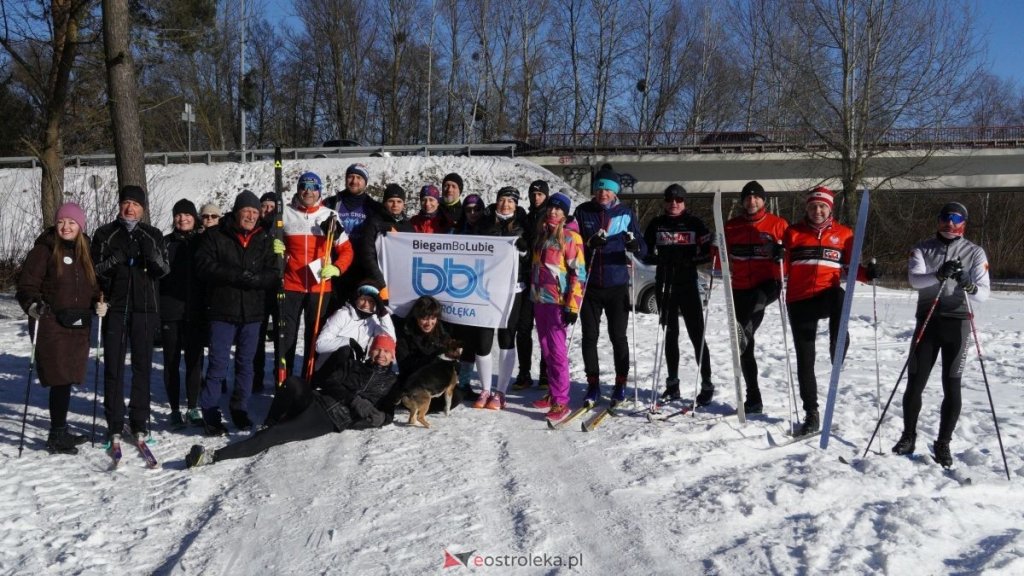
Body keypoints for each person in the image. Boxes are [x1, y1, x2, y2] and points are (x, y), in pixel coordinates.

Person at [185, 333, 399, 467]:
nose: (381, 354)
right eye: (378, 349)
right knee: (293, 382)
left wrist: (380, 418)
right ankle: (270, 422)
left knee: (277, 434)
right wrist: (353, 399)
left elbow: (388, 413)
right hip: (317, 399)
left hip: (329, 418)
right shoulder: (354, 365)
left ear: (392, 356)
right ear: (371, 351)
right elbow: (330, 383)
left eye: (386, 351)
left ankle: (211, 457)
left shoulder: (392, 382)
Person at [892, 202, 989, 467]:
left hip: (958, 324)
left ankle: (943, 443)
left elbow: (983, 294)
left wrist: (968, 283)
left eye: (956, 219)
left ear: (964, 223)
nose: (950, 223)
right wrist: (938, 274)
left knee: (952, 384)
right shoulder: (922, 248)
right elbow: (915, 280)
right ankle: (908, 436)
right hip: (928, 321)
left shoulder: (975, 252)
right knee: (915, 381)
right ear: (938, 221)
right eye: (945, 218)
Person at [782, 186, 878, 435]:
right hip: (799, 300)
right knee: (806, 361)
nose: (817, 210)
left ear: (830, 208)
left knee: (839, 295)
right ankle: (811, 413)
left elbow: (852, 267)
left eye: (822, 206)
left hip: (826, 295)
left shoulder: (844, 234)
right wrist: (774, 256)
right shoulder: (793, 233)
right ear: (807, 207)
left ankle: (838, 341)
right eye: (813, 206)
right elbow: (781, 265)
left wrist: (869, 274)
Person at [16, 202, 105, 454]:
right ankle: (56, 435)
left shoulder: (85, 252)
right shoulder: (43, 250)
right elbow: (27, 286)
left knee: (66, 379)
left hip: (78, 324)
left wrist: (100, 303)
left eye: (72, 222)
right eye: (62, 222)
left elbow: (95, 287)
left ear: (80, 226)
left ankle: (61, 429)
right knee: (59, 377)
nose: (66, 227)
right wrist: (32, 305)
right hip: (50, 322)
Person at [195, 190, 279, 434]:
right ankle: (210, 411)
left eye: (255, 212)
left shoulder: (265, 238)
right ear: (237, 211)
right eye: (247, 211)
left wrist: (256, 279)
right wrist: (234, 275)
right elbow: (204, 265)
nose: (251, 216)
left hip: (252, 312)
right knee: (218, 364)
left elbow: (274, 273)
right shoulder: (216, 234)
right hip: (223, 308)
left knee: (246, 365)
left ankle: (240, 408)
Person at [91, 185, 170, 442]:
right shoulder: (105, 234)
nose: (130, 208)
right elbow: (97, 269)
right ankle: (114, 421)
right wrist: (118, 258)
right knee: (113, 366)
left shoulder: (153, 234)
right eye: (126, 203)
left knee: (142, 367)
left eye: (135, 204)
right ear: (120, 206)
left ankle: (139, 421)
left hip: (145, 310)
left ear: (142, 209)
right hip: (116, 308)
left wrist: (151, 255)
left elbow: (164, 270)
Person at [573, 167, 646, 405]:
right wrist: (589, 243)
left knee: (618, 337)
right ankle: (593, 385)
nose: (603, 192)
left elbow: (642, 248)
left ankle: (620, 383)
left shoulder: (625, 213)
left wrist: (634, 245)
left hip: (616, 285)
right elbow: (573, 245)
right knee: (589, 337)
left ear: (615, 192)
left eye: (608, 189)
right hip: (591, 285)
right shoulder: (583, 211)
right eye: (599, 188)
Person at [273, 172, 354, 381]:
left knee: (315, 337)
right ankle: (285, 381)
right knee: (287, 337)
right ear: (298, 189)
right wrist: (275, 248)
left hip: (320, 287)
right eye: (304, 186)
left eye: (313, 187)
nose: (308, 191)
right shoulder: (286, 215)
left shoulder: (330, 216)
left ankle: (310, 380)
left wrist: (337, 268)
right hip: (291, 285)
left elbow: (347, 250)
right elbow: (269, 245)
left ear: (319, 191)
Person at [643, 184, 715, 405]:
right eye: (670, 200)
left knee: (697, 336)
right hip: (665, 285)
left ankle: (706, 384)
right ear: (665, 202)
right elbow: (644, 253)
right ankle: (672, 385)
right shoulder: (657, 224)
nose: (674, 204)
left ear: (684, 202)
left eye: (679, 200)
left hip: (688, 285)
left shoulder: (694, 223)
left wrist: (691, 260)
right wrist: (657, 259)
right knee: (670, 336)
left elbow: (707, 252)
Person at [722, 181, 789, 413]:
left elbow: (790, 257)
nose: (752, 202)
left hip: (768, 284)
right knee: (744, 347)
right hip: (740, 288)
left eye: (756, 198)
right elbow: (718, 256)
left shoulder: (777, 224)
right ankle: (754, 398)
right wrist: (714, 246)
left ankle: (747, 328)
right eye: (747, 198)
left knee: (749, 320)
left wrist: (782, 254)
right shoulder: (732, 227)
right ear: (742, 201)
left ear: (764, 200)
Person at [468, 186, 530, 410]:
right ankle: (485, 389)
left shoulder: (523, 225)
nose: (506, 205)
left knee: (506, 339)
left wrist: (523, 251)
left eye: (511, 201)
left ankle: (500, 391)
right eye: (503, 200)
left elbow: (531, 258)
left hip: (513, 290)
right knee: (483, 340)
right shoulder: (484, 224)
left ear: (516, 205)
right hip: (487, 289)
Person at [529, 192, 586, 421]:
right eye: (551, 208)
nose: (553, 211)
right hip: (540, 300)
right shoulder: (542, 234)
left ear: (564, 213)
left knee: (558, 353)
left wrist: (573, 305)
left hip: (557, 302)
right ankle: (553, 394)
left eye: (558, 209)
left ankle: (562, 401)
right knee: (546, 350)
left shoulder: (571, 237)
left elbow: (579, 273)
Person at [159, 199, 206, 427]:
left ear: (194, 217)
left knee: (195, 360)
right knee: (171, 361)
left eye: (187, 215)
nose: (183, 219)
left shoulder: (202, 241)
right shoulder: (165, 243)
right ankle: (175, 409)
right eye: (178, 215)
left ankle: (193, 407)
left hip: (196, 310)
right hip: (170, 310)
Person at [324, 163, 382, 302]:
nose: (354, 181)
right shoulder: (331, 203)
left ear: (365, 182)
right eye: (351, 176)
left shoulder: (374, 207)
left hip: (361, 268)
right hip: (335, 267)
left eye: (359, 177)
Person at [512, 180, 550, 390]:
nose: (536, 198)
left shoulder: (550, 217)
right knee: (523, 328)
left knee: (544, 329)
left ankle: (545, 372)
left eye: (540, 194)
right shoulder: (526, 218)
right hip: (528, 280)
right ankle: (524, 371)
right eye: (533, 194)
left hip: (545, 281)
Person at [357, 183, 413, 314]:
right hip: (379, 283)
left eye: (399, 201)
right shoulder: (374, 223)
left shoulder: (408, 226)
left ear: (403, 204)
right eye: (391, 201)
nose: (395, 205)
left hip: (401, 284)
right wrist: (380, 283)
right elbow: (367, 255)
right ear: (384, 202)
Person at [315, 282, 395, 372]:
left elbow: (390, 340)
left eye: (371, 301)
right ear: (356, 299)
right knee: (345, 352)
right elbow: (319, 345)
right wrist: (349, 342)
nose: (366, 305)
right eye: (363, 299)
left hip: (354, 372)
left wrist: (383, 313)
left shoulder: (373, 321)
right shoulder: (343, 315)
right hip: (330, 370)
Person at [252, 192, 279, 394]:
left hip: (279, 289)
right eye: (265, 206)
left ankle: (280, 377)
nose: (268, 210)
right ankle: (256, 378)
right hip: (259, 289)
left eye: (271, 206)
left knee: (280, 337)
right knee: (257, 337)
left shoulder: (282, 227)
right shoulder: (255, 227)